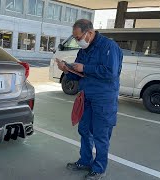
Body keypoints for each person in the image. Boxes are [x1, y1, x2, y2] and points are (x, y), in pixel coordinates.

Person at [57, 19, 123, 180]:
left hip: (104, 98)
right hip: (87, 95)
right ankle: (85, 161)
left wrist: (85, 68)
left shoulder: (109, 47)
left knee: (101, 134)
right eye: (75, 38)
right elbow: (79, 74)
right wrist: (66, 70)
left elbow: (111, 72)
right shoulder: (84, 50)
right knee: (85, 130)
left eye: (78, 37)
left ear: (90, 33)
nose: (77, 40)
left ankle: (99, 168)